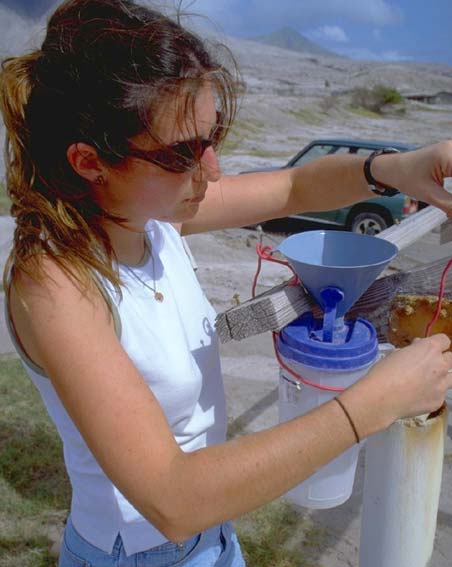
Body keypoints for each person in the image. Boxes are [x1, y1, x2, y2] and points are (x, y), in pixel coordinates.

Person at [1, 0, 452, 565]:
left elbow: (293, 189)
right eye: (183, 153)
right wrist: (376, 402)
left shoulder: (152, 213)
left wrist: (391, 169)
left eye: (213, 138)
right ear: (90, 161)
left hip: (213, 535)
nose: (212, 171)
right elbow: (171, 496)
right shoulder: (54, 283)